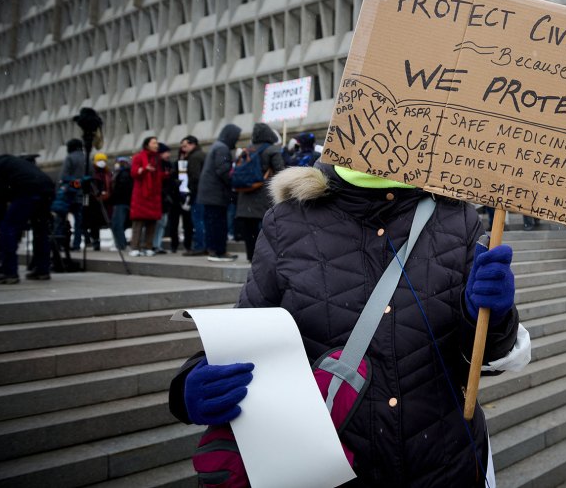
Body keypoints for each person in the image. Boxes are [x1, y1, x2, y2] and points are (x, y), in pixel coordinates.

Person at [168, 163, 530, 486]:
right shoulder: (291, 220)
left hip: (443, 464)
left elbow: (483, 358)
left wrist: (492, 318)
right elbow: (247, 330)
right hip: (332, 469)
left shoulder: (458, 218)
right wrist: (192, 384)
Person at [0, 155, 54, 283]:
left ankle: (9, 272)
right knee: (41, 229)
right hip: (46, 186)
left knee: (7, 229)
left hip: (28, 189)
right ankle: (42, 270)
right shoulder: (9, 162)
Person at [235, 123, 286, 262]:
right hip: (263, 193)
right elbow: (281, 171)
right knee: (265, 228)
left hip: (245, 194)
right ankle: (264, 257)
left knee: (248, 229)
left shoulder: (247, 150)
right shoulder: (272, 150)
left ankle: (251, 256)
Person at [197, 124, 241, 262]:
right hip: (216, 194)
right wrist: (236, 182)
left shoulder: (217, 146)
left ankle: (215, 250)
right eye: (236, 137)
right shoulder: (222, 148)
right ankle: (218, 251)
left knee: (212, 223)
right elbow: (224, 171)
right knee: (218, 223)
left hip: (210, 194)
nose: (237, 140)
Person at [129, 136, 167, 257]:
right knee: (138, 222)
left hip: (154, 194)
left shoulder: (157, 158)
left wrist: (164, 175)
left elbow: (157, 174)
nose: (156, 145)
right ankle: (135, 247)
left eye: (157, 143)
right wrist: (144, 169)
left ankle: (148, 247)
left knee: (152, 222)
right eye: (154, 143)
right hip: (142, 194)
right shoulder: (139, 157)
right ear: (147, 145)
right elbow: (134, 172)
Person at [180, 136, 207, 256]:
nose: (183, 149)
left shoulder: (194, 157)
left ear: (193, 145)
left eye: (185, 146)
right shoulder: (202, 155)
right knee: (202, 220)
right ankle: (204, 245)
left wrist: (191, 192)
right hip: (204, 193)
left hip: (198, 194)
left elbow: (195, 177)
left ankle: (200, 246)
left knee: (198, 220)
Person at [59, 138, 86, 251]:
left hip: (69, 193)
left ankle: (60, 243)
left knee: (61, 220)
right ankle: (76, 244)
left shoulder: (70, 158)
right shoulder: (86, 158)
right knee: (78, 222)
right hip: (81, 195)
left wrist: (74, 184)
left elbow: (64, 176)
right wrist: (80, 184)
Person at [82, 152, 113, 251]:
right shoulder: (91, 173)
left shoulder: (108, 173)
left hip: (105, 201)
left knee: (100, 223)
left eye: (104, 160)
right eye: (100, 160)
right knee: (93, 223)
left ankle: (95, 241)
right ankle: (95, 241)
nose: (102, 162)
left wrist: (107, 194)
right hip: (93, 201)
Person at [152, 144, 178, 254]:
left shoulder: (169, 165)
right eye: (166, 152)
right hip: (159, 197)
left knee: (163, 222)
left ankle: (157, 245)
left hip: (166, 197)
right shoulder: (157, 165)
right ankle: (154, 244)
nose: (168, 155)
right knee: (157, 223)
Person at [110, 157, 133, 251]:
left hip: (121, 202)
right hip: (122, 202)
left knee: (117, 225)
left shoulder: (123, 174)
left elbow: (121, 189)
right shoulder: (124, 173)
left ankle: (121, 245)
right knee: (118, 224)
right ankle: (121, 244)